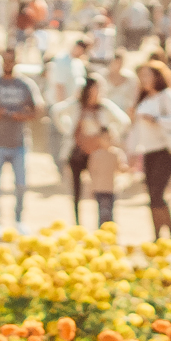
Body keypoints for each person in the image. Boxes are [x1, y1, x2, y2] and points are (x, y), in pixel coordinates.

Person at [0, 47, 44, 237]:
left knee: (20, 185)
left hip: (18, 142)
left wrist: (22, 115)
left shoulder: (25, 85)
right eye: (5, 60)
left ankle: (19, 220)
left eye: (11, 60)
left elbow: (38, 110)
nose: (8, 64)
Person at [127, 62, 171, 241]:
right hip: (148, 151)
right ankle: (158, 235)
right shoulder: (144, 98)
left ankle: (169, 233)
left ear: (158, 76)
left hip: (167, 150)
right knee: (152, 194)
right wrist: (131, 151)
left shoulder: (168, 96)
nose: (144, 79)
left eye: (147, 75)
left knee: (158, 193)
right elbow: (136, 128)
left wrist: (157, 119)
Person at [55, 76, 129, 230]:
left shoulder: (104, 106)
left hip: (97, 153)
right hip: (78, 151)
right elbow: (56, 111)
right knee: (76, 190)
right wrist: (67, 129)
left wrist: (109, 137)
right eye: (94, 89)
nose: (97, 92)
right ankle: (77, 225)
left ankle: (103, 226)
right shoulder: (76, 105)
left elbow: (124, 121)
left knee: (101, 189)